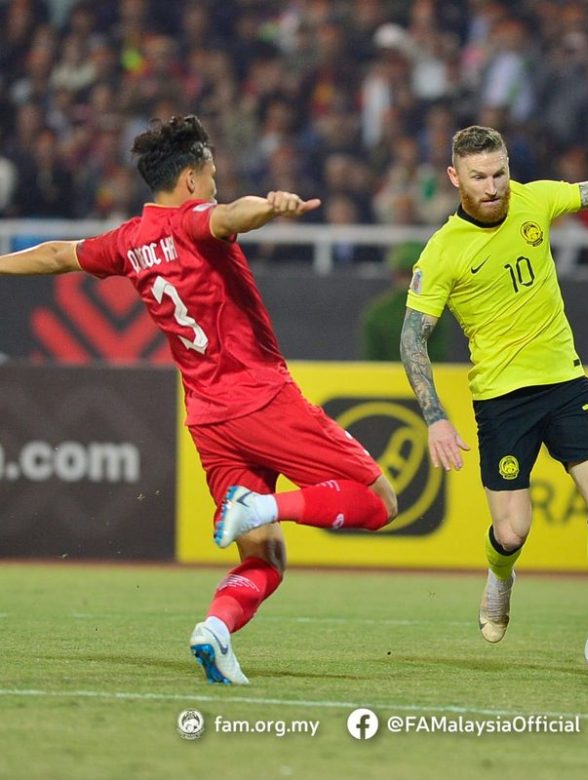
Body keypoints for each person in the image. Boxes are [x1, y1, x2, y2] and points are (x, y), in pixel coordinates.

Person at [0, 115, 398, 685]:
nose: (216, 184)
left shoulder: (128, 240)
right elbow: (232, 216)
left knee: (265, 559)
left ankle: (214, 629)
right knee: (380, 500)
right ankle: (263, 507)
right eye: (212, 174)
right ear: (190, 179)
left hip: (208, 418)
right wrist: (272, 206)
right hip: (259, 397)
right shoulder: (196, 221)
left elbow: (61, 254)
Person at [399, 124, 588, 681]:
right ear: (455, 178)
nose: (493, 187)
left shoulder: (533, 199)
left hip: (565, 381)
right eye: (478, 178)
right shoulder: (443, 251)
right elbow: (412, 337)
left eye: (499, 173)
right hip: (501, 399)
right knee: (513, 531)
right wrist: (436, 418)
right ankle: (501, 574)